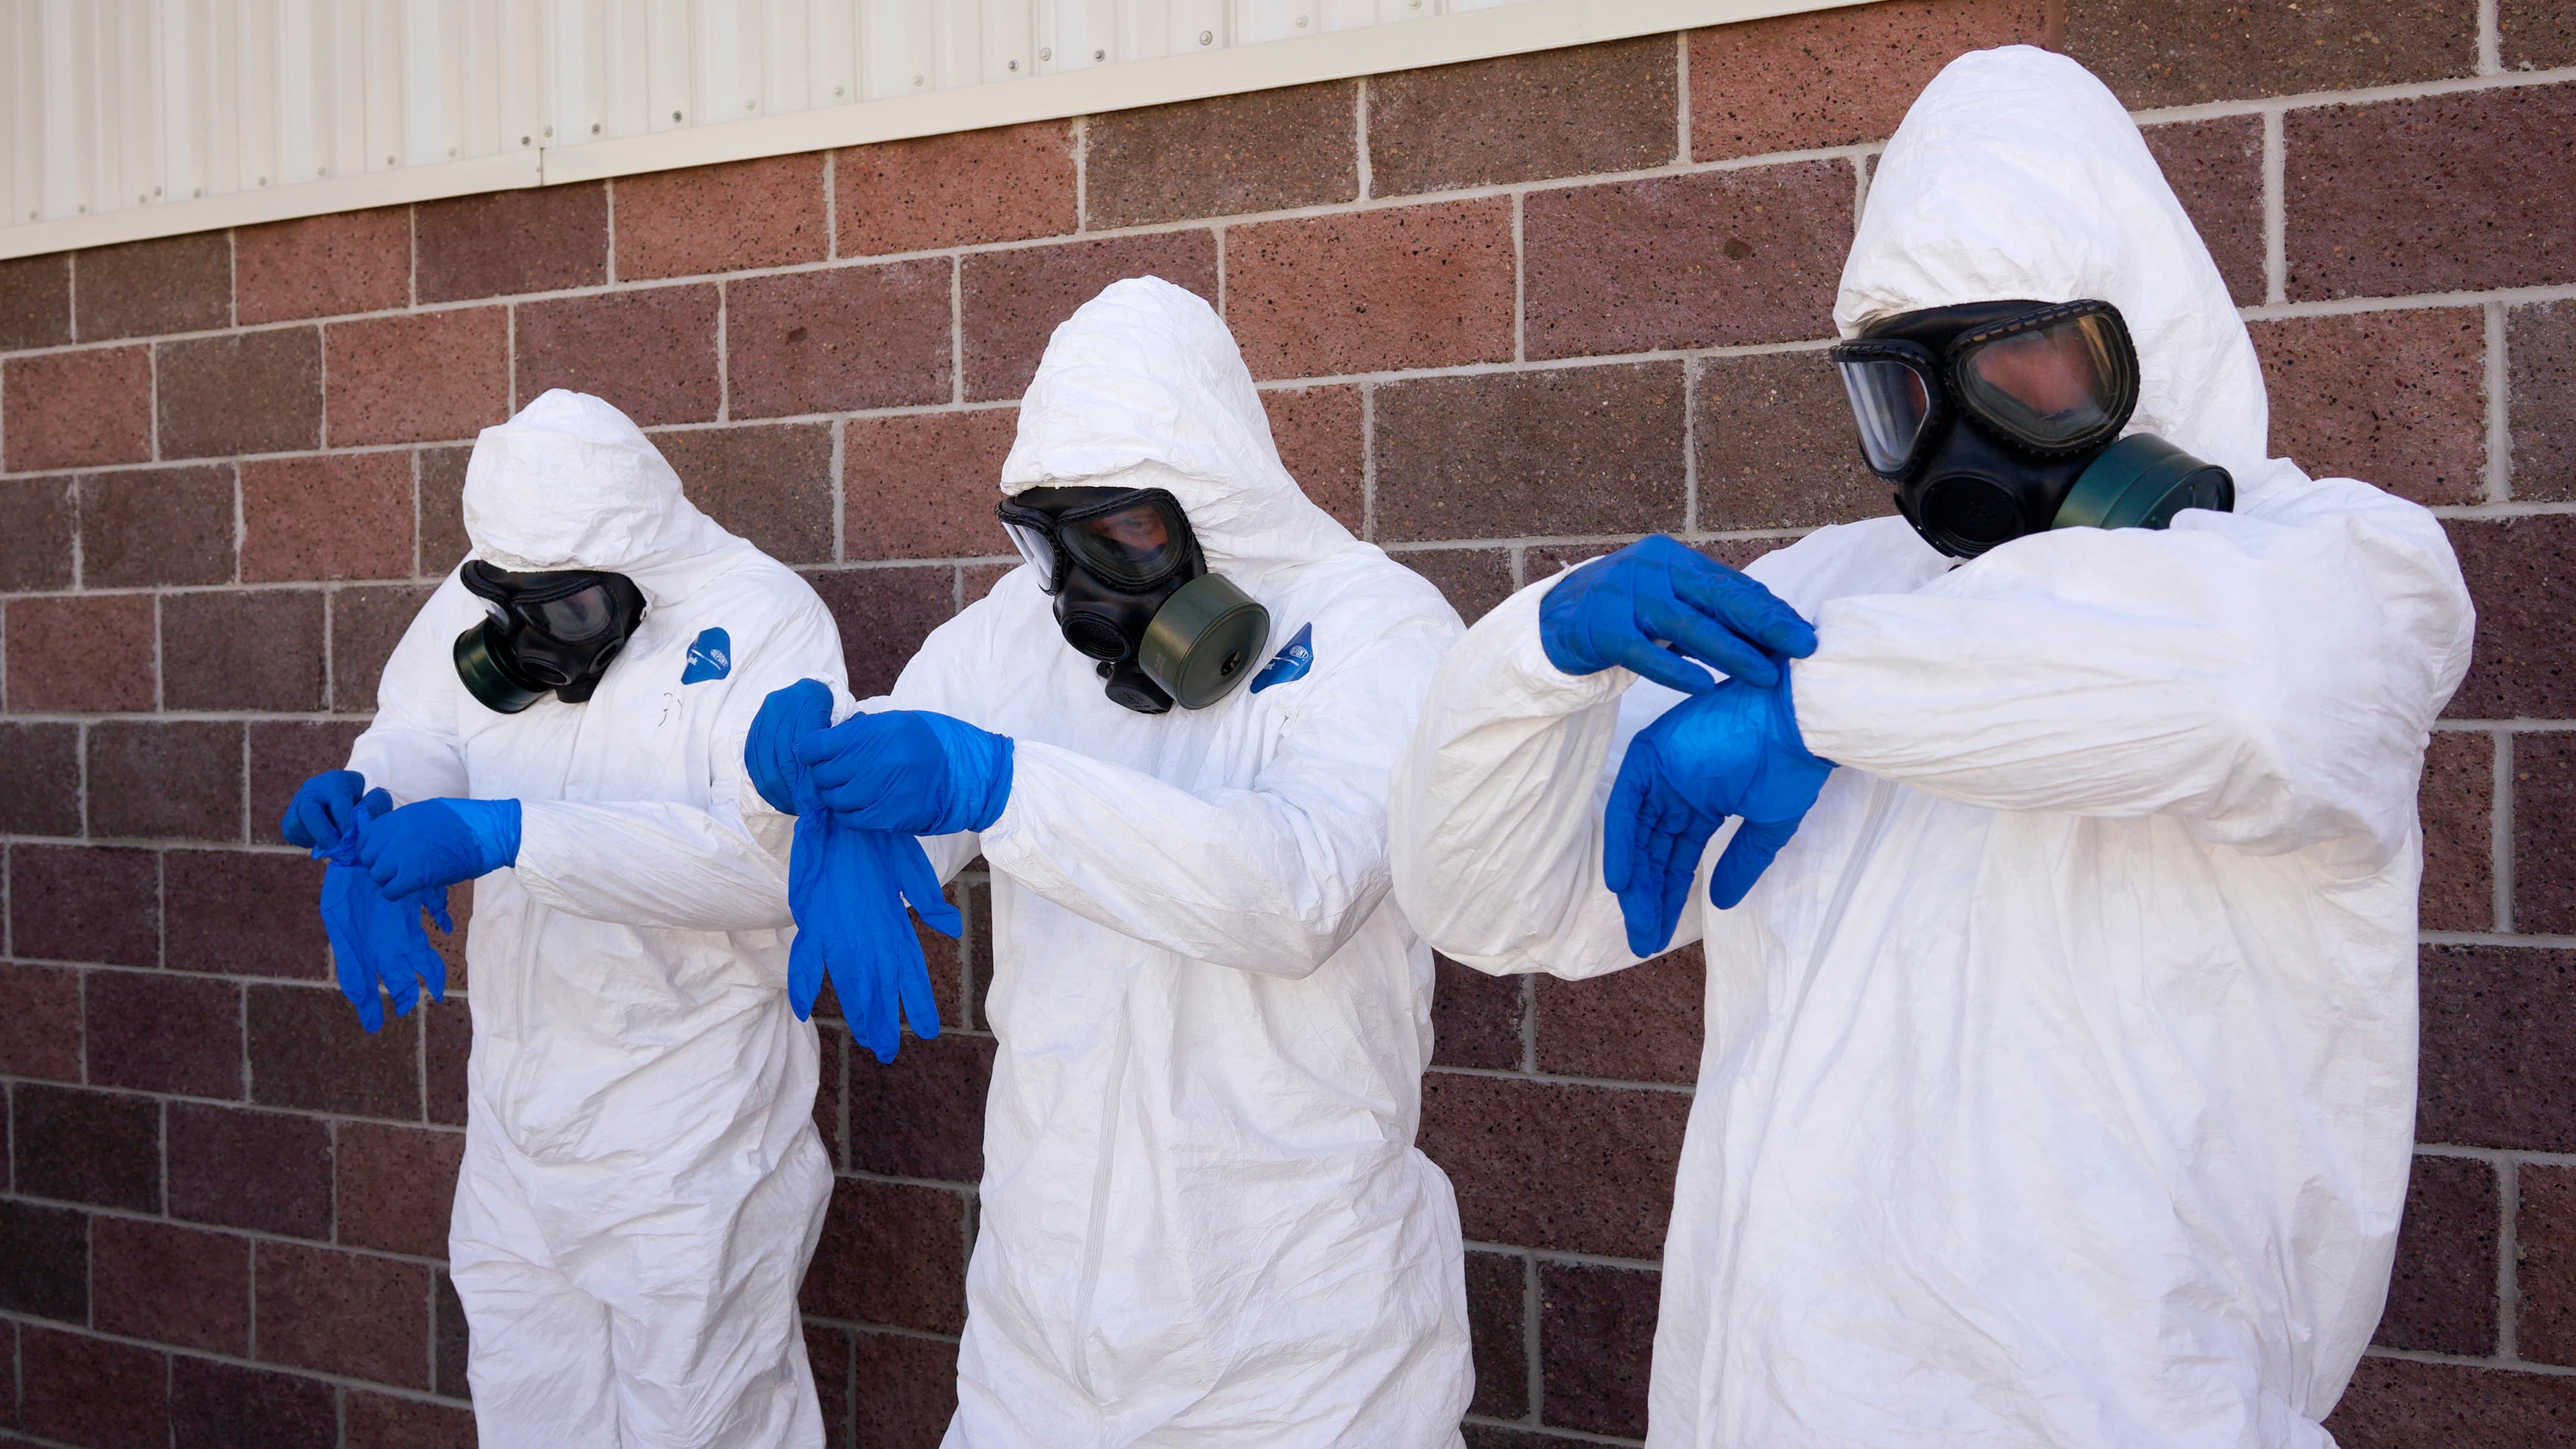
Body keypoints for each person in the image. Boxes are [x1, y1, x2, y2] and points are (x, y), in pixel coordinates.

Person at [1389, 46, 2474, 1448]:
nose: (1963, 431)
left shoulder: (2332, 566)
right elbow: (1491, 900)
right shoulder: (1832, 594)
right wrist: (1537, 653)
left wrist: (1816, 704)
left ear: (2137, 344)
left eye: (2023, 364)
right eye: (1908, 387)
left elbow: (2250, 694)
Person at [776, 277, 1474, 1445]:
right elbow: (898, 786)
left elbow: (1295, 891)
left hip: (1298, 1356)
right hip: (1038, 1341)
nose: (1077, 585)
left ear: (1213, 502)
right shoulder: (1017, 633)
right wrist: (794, 778)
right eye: (1048, 538)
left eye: (1120, 534)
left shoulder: (1378, 629)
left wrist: (1003, 783)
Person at [275, 389, 848, 1448]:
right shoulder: (497, 574)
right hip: (517, 1124)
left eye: (570, 610)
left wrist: (514, 834)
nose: (533, 634)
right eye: (512, 606)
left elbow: (763, 868)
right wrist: (376, 791)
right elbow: (423, 725)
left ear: (634, 562)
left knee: (706, 1421)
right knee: (530, 1412)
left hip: (690, 1133)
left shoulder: (764, 618)